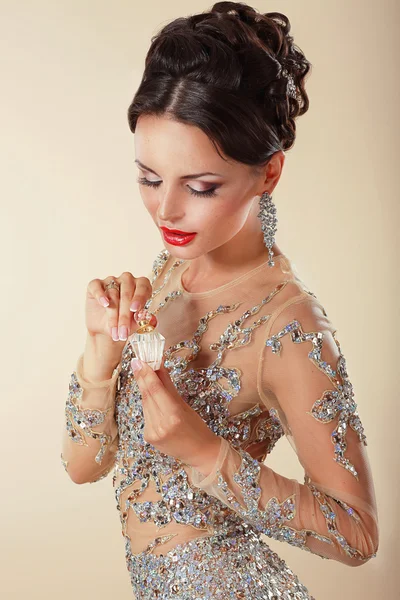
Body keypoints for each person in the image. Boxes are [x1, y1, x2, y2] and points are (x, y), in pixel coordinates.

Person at [60, 2, 379, 598]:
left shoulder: (289, 325)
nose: (166, 212)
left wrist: (206, 452)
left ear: (269, 174)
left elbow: (357, 535)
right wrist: (100, 354)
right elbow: (84, 466)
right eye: (149, 178)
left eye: (201, 187)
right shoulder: (170, 270)